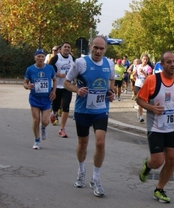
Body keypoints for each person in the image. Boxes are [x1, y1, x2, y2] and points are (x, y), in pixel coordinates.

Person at [64, 35, 115, 197]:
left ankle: (96, 178)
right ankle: (81, 171)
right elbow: (66, 82)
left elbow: (112, 79)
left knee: (100, 143)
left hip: (101, 110)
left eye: (101, 48)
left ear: (105, 49)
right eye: (96, 48)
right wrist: (77, 90)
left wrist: (111, 92)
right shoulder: (80, 63)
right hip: (83, 110)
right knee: (83, 144)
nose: (98, 51)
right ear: (90, 47)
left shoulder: (109, 63)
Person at [137, 51, 174, 203]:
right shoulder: (152, 80)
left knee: (172, 159)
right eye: (169, 62)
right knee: (157, 161)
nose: (173, 64)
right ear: (162, 65)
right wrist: (151, 108)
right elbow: (140, 99)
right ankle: (147, 166)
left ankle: (159, 189)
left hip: (172, 127)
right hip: (155, 127)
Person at [23, 49, 57, 149]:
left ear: (44, 58)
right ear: (35, 58)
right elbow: (25, 83)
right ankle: (37, 140)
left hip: (46, 98)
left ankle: (43, 127)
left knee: (45, 121)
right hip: (35, 98)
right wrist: (27, 86)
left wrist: (54, 91)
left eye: (42, 56)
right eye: (38, 56)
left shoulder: (50, 68)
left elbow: (55, 80)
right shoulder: (30, 69)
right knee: (36, 120)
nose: (41, 58)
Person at [49, 42, 75, 137]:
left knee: (66, 105)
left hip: (67, 86)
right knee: (55, 106)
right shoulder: (56, 58)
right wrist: (58, 74)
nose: (67, 48)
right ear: (61, 49)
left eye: (69, 47)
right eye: (65, 47)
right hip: (57, 86)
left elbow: (77, 70)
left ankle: (62, 128)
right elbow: (49, 70)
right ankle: (54, 113)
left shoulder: (72, 59)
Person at [133, 53, 153, 123]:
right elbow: (134, 74)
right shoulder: (137, 66)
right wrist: (133, 74)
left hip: (144, 86)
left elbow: (149, 78)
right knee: (140, 99)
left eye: (146, 59)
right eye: (144, 59)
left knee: (142, 101)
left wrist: (143, 73)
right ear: (141, 59)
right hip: (137, 85)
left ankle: (139, 110)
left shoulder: (149, 68)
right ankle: (141, 116)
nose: (145, 60)